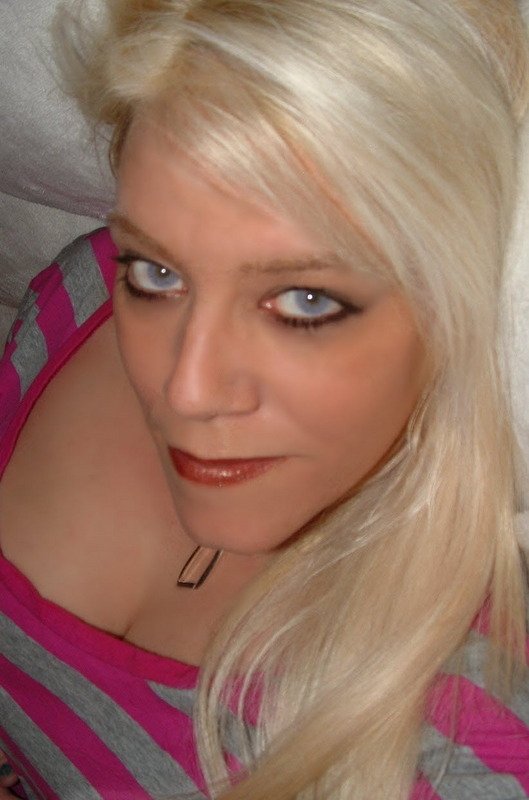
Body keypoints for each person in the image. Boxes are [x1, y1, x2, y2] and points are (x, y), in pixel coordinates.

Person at [1, 0, 529, 798]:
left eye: (305, 301)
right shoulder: (79, 302)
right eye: (158, 272)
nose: (185, 391)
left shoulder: (462, 740)